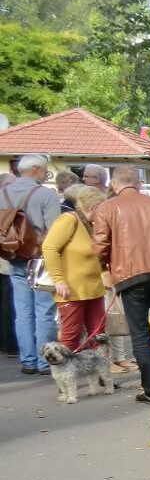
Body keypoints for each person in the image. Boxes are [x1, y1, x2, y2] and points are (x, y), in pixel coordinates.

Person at [91, 166, 150, 405]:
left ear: (114, 185)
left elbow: (100, 247)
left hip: (130, 277)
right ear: (139, 183)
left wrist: (106, 267)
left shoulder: (107, 208)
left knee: (140, 335)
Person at [4, 154, 61, 374]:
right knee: (44, 310)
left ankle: (27, 361)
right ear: (36, 169)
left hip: (14, 256)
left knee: (23, 311)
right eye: (45, 170)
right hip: (41, 258)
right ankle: (44, 362)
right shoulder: (46, 195)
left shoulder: (3, 193)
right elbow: (55, 232)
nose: (46, 174)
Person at [81, 163, 135, 372]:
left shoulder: (103, 219)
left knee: (116, 318)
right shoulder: (81, 223)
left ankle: (120, 357)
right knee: (104, 321)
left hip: (112, 272)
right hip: (96, 275)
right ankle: (107, 360)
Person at [41, 186, 108, 351]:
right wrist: (58, 280)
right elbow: (49, 248)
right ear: (94, 207)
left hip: (93, 289)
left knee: (98, 336)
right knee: (71, 337)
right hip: (71, 290)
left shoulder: (91, 225)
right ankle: (66, 369)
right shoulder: (69, 220)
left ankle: (100, 367)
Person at [0, 173, 17, 357]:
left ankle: (6, 341)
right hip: (6, 260)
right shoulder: (7, 206)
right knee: (8, 303)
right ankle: (9, 343)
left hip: (3, 260)